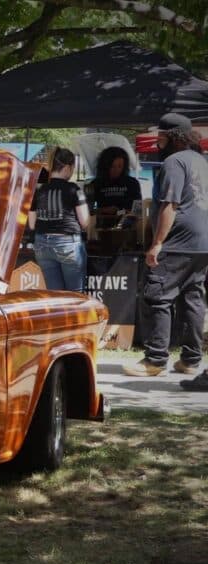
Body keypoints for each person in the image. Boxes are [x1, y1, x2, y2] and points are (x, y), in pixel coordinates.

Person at [124, 114, 208, 386]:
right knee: (193, 298)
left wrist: (157, 243)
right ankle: (191, 359)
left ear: (174, 136)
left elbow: (170, 205)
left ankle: (155, 360)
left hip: (179, 240)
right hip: (202, 242)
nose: (157, 139)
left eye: (161, 135)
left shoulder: (174, 161)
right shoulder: (201, 161)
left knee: (157, 295)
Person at [28, 147, 90, 292]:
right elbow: (84, 222)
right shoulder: (74, 189)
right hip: (68, 244)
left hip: (42, 244)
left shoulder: (39, 190)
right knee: (76, 296)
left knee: (56, 297)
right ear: (68, 167)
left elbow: (31, 224)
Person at [88, 146, 142, 215]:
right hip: (102, 223)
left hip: (126, 222)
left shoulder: (133, 183)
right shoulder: (95, 184)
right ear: (105, 166)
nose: (116, 170)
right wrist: (103, 210)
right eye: (112, 166)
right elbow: (87, 211)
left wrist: (121, 212)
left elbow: (138, 211)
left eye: (120, 166)